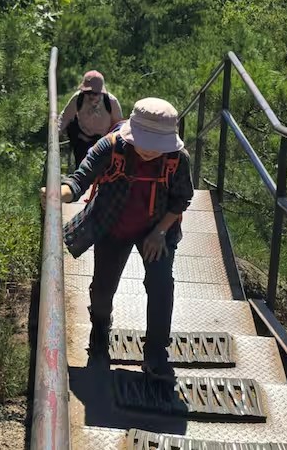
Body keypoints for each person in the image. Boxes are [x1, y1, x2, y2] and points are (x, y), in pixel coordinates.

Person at [58, 97, 193, 380]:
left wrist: (159, 232)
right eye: (146, 143)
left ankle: (156, 352)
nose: (150, 151)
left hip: (157, 230)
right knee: (103, 289)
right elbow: (80, 177)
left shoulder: (177, 159)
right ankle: (99, 335)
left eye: (158, 145)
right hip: (113, 224)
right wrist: (59, 194)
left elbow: (183, 198)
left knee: (160, 287)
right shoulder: (111, 146)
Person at [57, 70, 124, 169]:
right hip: (82, 139)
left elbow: (119, 125)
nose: (91, 96)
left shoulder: (110, 102)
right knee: (81, 169)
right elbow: (65, 117)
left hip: (103, 143)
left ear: (101, 92)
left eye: (95, 93)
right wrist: (56, 133)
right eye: (88, 92)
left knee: (101, 171)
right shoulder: (78, 98)